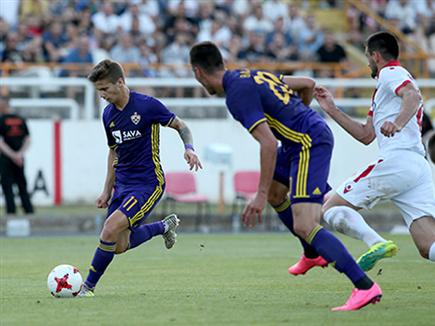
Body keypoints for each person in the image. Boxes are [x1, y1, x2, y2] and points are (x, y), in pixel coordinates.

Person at [189, 41, 382, 311]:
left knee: (305, 224)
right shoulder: (251, 74)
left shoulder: (235, 94)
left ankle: (365, 287)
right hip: (300, 139)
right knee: (277, 193)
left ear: (198, 73)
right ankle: (312, 254)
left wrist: (258, 194)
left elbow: (267, 143)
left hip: (308, 143)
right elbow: (306, 83)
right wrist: (298, 115)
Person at [78, 59, 202, 297]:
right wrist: (106, 190)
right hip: (122, 185)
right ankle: (163, 226)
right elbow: (114, 151)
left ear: (120, 82)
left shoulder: (147, 106)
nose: (101, 95)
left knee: (108, 230)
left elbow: (181, 125)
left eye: (104, 89)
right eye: (98, 90)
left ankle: (87, 287)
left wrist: (189, 147)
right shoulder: (108, 115)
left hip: (148, 183)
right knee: (119, 245)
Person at [314, 31, 435, 271]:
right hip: (417, 167)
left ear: (376, 56)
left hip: (397, 161)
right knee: (427, 245)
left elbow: (413, 95)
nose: (367, 61)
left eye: (368, 56)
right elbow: (366, 135)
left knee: (330, 208)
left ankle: (376, 242)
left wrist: (398, 123)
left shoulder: (391, 73)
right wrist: (332, 109)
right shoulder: (383, 89)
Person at [0, 98, 34, 215]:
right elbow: (28, 139)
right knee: (22, 184)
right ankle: (28, 210)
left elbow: (1, 143)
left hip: (6, 158)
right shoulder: (20, 119)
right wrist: (20, 154)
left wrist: (12, 155)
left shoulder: (1, 120)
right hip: (20, 158)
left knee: (7, 185)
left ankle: (11, 212)